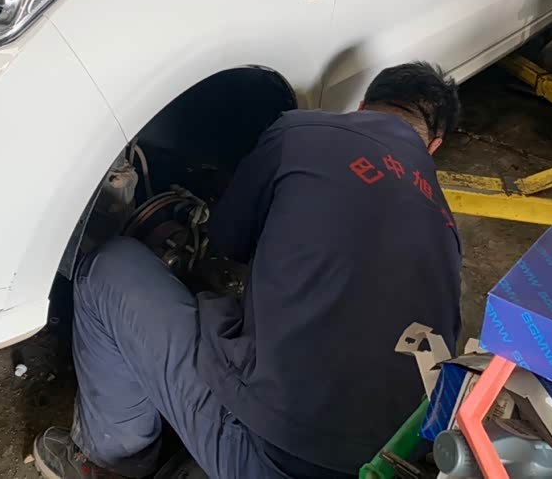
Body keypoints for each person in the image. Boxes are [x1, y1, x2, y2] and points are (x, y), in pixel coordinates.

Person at [34, 63, 463, 479]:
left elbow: (228, 240)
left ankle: (110, 462)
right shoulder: (447, 227)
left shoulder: (300, 130)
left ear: (363, 105)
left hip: (271, 457)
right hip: (393, 465)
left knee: (107, 268)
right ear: (433, 146)